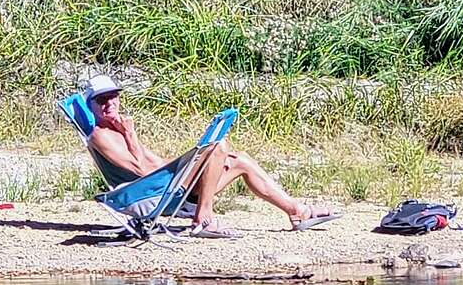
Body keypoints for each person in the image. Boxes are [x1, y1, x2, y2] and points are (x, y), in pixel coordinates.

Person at [82, 74, 341, 238]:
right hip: (153, 194)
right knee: (217, 146)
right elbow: (141, 171)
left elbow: (154, 164)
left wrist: (192, 166)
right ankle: (203, 218)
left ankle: (298, 213)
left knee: (241, 161)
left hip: (167, 187)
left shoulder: (115, 128)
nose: (109, 104)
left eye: (113, 97)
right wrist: (130, 134)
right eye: (101, 100)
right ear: (91, 105)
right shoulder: (100, 136)